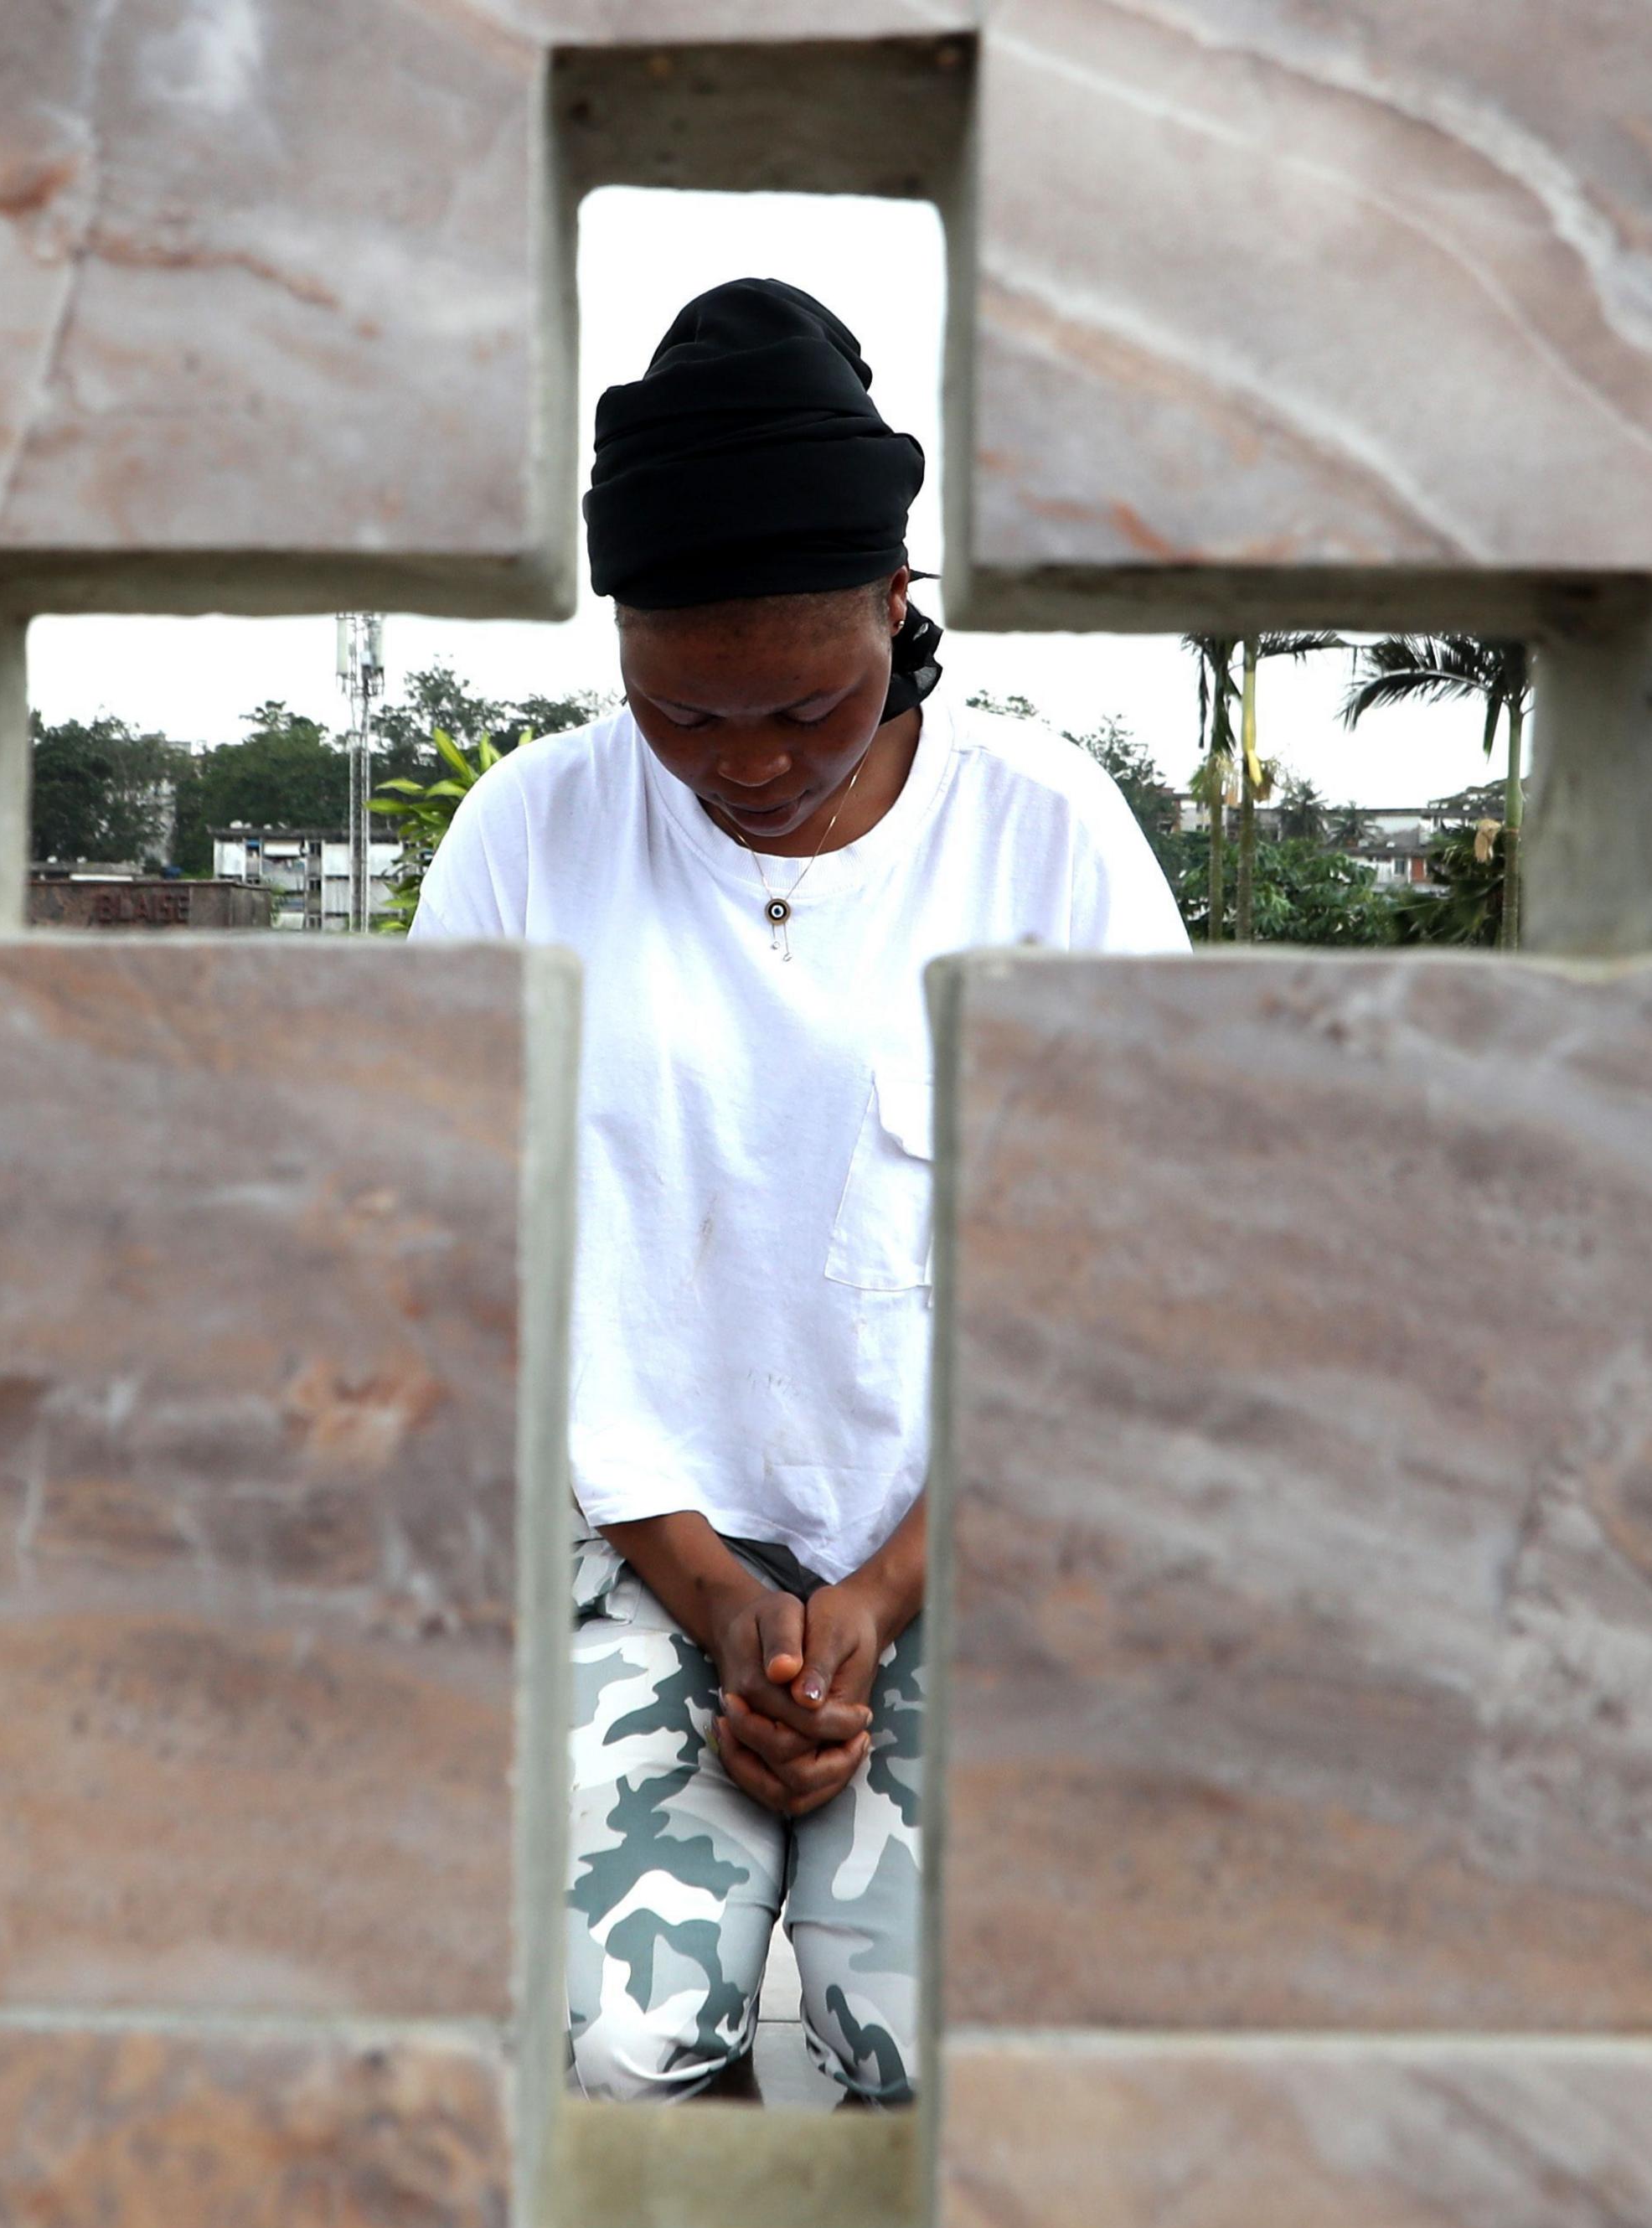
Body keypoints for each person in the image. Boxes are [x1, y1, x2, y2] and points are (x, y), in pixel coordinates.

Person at [413, 279, 1189, 2102]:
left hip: (963, 1544)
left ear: (901, 611)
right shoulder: (532, 832)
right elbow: (454, 1259)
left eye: (805, 704)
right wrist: (711, 1590)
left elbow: (1135, 1290)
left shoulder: (1047, 833)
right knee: (595, 2040)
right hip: (620, 1553)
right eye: (682, 714)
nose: (746, 763)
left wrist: (879, 1596)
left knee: (950, 2040)